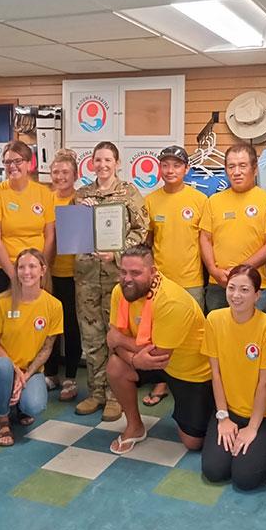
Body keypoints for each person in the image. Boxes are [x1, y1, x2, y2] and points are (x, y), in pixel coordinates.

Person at [105, 245, 213, 454]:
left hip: (190, 371)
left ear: (153, 272)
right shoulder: (120, 291)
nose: (127, 278)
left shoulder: (171, 300)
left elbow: (157, 354)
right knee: (115, 367)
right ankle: (135, 427)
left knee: (193, 443)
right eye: (124, 272)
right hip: (148, 360)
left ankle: (212, 406)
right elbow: (113, 342)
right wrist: (134, 359)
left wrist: (120, 340)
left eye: (136, 273)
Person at [74, 141, 149, 420]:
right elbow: (75, 234)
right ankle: (95, 392)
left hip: (119, 278)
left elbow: (142, 231)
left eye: (108, 160)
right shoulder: (82, 194)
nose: (103, 165)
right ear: (91, 163)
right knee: (92, 337)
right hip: (87, 276)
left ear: (117, 163)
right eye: (98, 160)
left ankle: (114, 396)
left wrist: (116, 253)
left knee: (116, 336)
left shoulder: (129, 192)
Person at [201, 265, 266, 490]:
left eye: (245, 290)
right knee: (214, 471)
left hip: (265, 415)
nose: (236, 295)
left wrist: (253, 428)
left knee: (245, 478)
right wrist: (223, 417)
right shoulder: (214, 320)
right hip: (230, 410)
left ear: (258, 295)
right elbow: (215, 373)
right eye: (231, 288)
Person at [142, 144, 208, 406]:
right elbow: (146, 241)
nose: (170, 170)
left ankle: (191, 382)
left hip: (191, 279)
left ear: (186, 169)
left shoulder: (200, 200)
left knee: (192, 336)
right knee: (161, 334)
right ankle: (161, 381)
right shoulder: (151, 199)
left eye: (176, 165)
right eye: (165, 165)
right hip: (161, 282)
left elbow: (206, 242)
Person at [0, 249, 63, 447]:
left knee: (33, 405)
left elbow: (46, 348)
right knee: (2, 368)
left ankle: (15, 401)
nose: (27, 272)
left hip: (30, 370)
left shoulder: (54, 305)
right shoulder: (2, 301)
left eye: (32, 266)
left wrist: (25, 376)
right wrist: (15, 371)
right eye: (21, 267)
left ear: (43, 270)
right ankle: (2, 420)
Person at [199, 143, 266, 313]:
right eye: (231, 166)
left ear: (255, 168)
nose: (236, 172)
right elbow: (205, 238)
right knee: (218, 336)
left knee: (254, 338)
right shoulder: (213, 201)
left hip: (254, 284)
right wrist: (213, 270)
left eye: (242, 166)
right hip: (218, 284)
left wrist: (240, 271)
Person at [0, 140, 55, 298]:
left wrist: (42, 269)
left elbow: (49, 237)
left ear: (29, 164)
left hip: (37, 270)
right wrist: (14, 276)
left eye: (18, 161)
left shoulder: (44, 193)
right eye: (7, 162)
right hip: (5, 270)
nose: (12, 166)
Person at [44, 149, 83, 402]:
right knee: (48, 322)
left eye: (65, 172)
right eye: (56, 172)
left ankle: (70, 375)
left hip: (73, 272)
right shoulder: (44, 200)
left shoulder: (82, 201)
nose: (60, 177)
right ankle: (49, 371)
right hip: (47, 271)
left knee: (70, 324)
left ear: (76, 175)